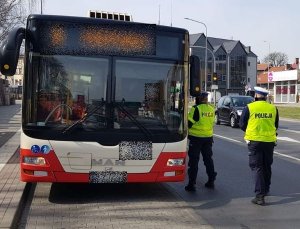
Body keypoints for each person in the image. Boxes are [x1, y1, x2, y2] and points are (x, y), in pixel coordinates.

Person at [239, 86, 279, 205]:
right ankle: (266, 189)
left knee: (257, 167)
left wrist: (251, 131)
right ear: (266, 97)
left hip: (255, 142)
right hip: (269, 142)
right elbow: (275, 125)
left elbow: (241, 124)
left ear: (256, 96)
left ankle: (259, 196)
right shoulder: (273, 108)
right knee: (267, 166)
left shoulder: (250, 107)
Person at [185, 92, 217, 192]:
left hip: (196, 138)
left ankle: (191, 184)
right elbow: (213, 122)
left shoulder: (196, 109)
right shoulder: (212, 109)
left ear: (198, 99)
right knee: (208, 160)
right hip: (208, 138)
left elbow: (189, 123)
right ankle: (211, 180)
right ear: (206, 100)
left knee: (194, 161)